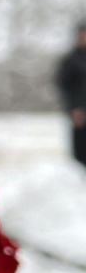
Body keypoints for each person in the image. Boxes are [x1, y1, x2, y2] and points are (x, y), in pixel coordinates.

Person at [56, 22, 86, 167]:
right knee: (81, 152)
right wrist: (73, 108)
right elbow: (64, 86)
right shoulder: (71, 60)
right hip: (80, 112)